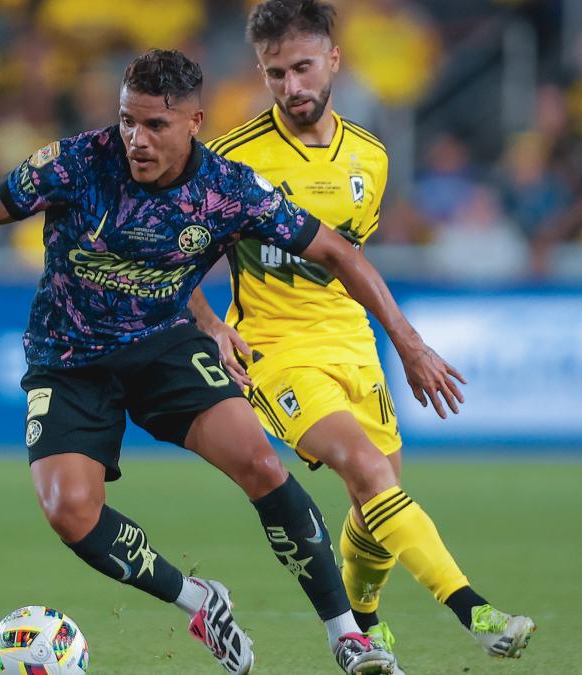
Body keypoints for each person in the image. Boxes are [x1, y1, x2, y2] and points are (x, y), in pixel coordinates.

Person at [0, 49, 458, 674]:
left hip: (163, 345)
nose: (136, 138)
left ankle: (348, 637)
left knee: (261, 462)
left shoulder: (227, 188)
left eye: (154, 125)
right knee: (68, 513)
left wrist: (407, 343)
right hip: (69, 357)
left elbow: (338, 252)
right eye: (127, 120)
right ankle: (199, 601)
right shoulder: (77, 162)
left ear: (194, 121)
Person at [189, 0, 536, 661]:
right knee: (368, 469)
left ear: (333, 61)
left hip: (351, 343)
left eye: (301, 68)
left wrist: (400, 343)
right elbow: (179, 263)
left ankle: (367, 621)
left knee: (378, 500)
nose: (291, 87)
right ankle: (478, 612)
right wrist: (210, 324)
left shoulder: (370, 160)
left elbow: (349, 259)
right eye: (274, 74)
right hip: (276, 349)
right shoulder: (233, 162)